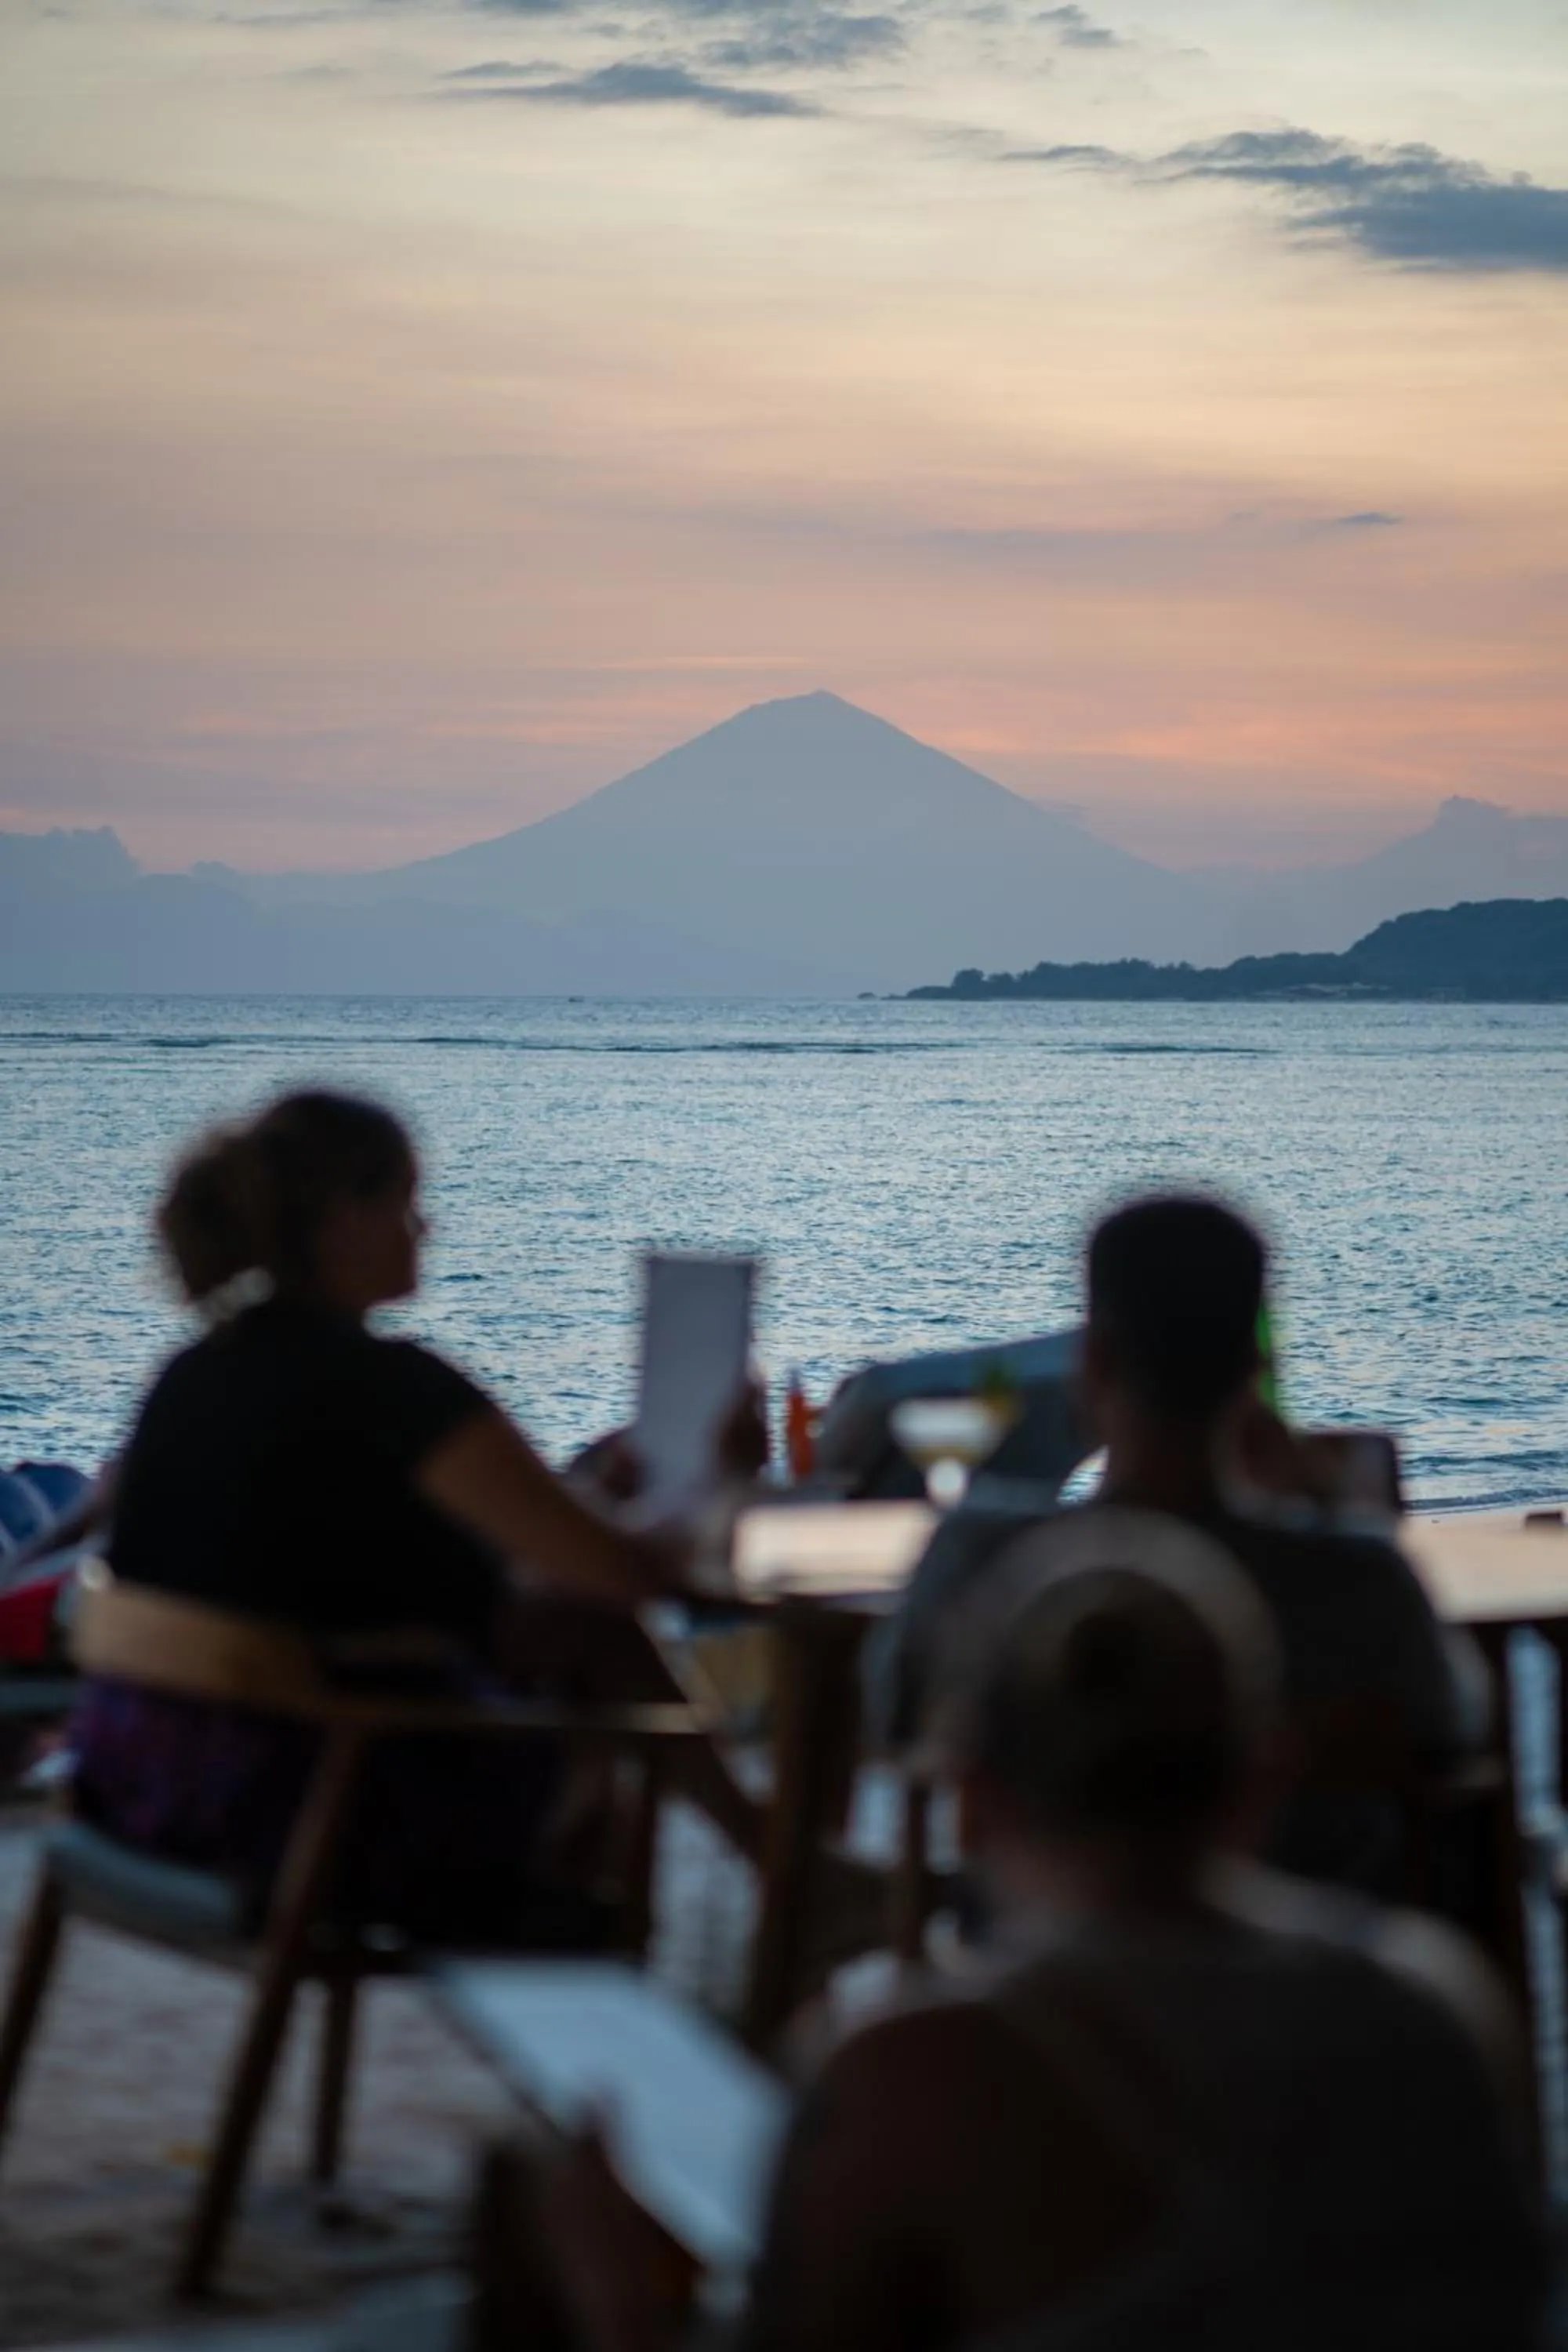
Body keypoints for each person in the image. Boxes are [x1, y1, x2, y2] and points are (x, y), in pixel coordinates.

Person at [543, 1537, 1547, 2352]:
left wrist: (628, 2319)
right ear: (1260, 1782)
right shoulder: (1441, 2012)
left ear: (970, 1803)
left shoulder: (918, 2076)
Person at [71, 1089, 768, 1933]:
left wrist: (578, 1498)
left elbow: (370, 1544)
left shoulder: (196, 1373)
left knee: (581, 1631)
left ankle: (767, 1864)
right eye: (405, 1204)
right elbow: (630, 1573)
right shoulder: (394, 1388)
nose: (425, 1230)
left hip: (146, 1792)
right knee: (594, 1676)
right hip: (311, 1815)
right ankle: (743, 1881)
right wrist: (724, 1483)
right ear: (339, 1221)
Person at [878, 1193, 1485, 1891]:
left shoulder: (981, 1559)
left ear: (1096, 1359)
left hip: (1039, 1963)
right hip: (1309, 1960)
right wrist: (1330, 1505)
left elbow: (893, 1714)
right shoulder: (1363, 1579)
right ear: (1256, 1369)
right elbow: (1453, 1730)